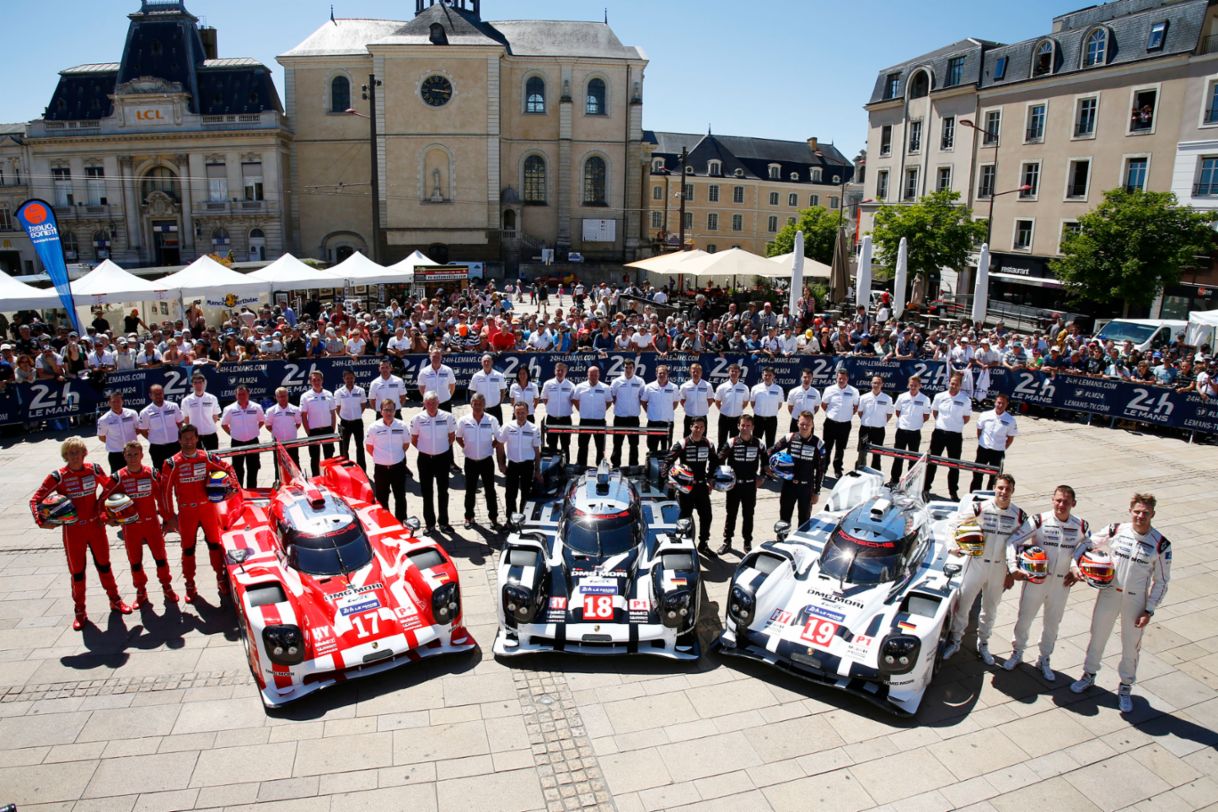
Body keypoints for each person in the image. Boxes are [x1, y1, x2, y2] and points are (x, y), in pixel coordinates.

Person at [1069, 493, 1171, 713]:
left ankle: (1125, 687)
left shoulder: (1161, 544)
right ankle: (1089, 675)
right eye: (1137, 511)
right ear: (1130, 511)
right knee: (1098, 635)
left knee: (1131, 645)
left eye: (1145, 513)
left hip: (1136, 601)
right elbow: (1085, 543)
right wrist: (1076, 566)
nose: (1140, 516)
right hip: (1109, 593)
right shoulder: (1116, 530)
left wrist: (1149, 610)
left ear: (1153, 514)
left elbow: (1161, 581)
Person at [30, 437, 130, 630]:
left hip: (95, 528)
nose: (75, 456)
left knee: (105, 566)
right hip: (73, 531)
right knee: (77, 573)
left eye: (78, 452)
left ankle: (115, 600)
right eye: (70, 453)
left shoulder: (93, 469)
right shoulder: (57, 476)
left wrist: (106, 510)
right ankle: (80, 610)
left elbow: (111, 487)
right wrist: (42, 520)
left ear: (85, 453)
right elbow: (35, 500)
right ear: (65, 456)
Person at [1003, 485, 1090, 681]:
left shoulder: (1081, 526)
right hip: (1036, 580)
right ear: (1052, 500)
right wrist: (1013, 567)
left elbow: (1087, 548)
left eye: (1066, 502)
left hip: (1061, 584)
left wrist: (1077, 568)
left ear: (1073, 504)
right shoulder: (1039, 520)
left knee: (1052, 624)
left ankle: (1044, 659)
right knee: (1024, 618)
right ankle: (1017, 652)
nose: (1061, 505)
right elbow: (1012, 541)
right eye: (1058, 500)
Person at [942, 473, 1027, 666]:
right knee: (964, 605)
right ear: (995, 488)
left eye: (1007, 489)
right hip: (977, 563)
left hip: (999, 569)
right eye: (1000, 488)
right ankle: (956, 641)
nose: (1003, 492)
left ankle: (984, 644)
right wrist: (952, 546)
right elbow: (953, 524)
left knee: (990, 609)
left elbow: (1020, 545)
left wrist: (1011, 571)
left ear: (1013, 491)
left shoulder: (1019, 516)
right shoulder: (981, 507)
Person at [160, 424, 238, 603]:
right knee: (188, 549)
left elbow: (229, 468)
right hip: (187, 512)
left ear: (197, 439)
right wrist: (169, 517)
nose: (188, 442)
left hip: (208, 509)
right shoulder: (172, 463)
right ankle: (189, 584)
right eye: (184, 439)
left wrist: (233, 487)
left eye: (191, 438)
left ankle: (220, 578)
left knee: (215, 545)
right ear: (179, 440)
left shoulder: (207, 457)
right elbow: (164, 492)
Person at [100, 441, 177, 609]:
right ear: (124, 456)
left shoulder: (151, 474)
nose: (133, 458)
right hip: (130, 527)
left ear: (142, 455)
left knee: (161, 559)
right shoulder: (118, 477)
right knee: (135, 562)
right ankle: (141, 591)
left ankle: (167, 586)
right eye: (129, 455)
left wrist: (168, 518)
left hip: (152, 525)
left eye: (136, 454)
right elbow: (102, 500)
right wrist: (107, 518)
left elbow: (162, 498)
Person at [667, 416, 720, 557]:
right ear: (691, 427)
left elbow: (715, 461)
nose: (698, 430)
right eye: (696, 427)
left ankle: (703, 545)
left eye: (701, 427)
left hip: (702, 486)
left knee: (707, 516)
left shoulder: (708, 443)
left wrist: (711, 479)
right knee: (685, 517)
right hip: (686, 488)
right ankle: (683, 545)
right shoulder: (682, 443)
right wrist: (670, 479)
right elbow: (667, 461)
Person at [717, 413, 767, 555]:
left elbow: (766, 462)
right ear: (738, 426)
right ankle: (727, 542)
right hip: (734, 486)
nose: (745, 428)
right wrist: (715, 478)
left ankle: (747, 542)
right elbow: (719, 459)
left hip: (750, 486)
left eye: (748, 425)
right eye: (743, 425)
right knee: (731, 514)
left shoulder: (759, 443)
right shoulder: (732, 442)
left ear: (752, 427)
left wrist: (762, 477)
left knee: (748, 514)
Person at [769, 410, 826, 528]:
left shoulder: (818, 444)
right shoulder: (790, 437)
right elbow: (771, 451)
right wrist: (769, 467)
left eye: (808, 424)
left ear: (812, 425)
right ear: (797, 423)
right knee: (784, 518)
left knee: (804, 520)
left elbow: (821, 470)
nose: (804, 427)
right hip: (789, 485)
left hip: (806, 488)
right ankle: (781, 540)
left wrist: (816, 492)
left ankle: (802, 543)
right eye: (802, 424)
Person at [411, 391, 456, 533]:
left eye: (434, 402)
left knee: (443, 492)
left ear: (438, 403)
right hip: (425, 459)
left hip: (442, 459)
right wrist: (427, 449)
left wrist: (440, 449)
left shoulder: (447, 417)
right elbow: (414, 439)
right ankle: (429, 524)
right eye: (428, 403)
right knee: (427, 492)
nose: (431, 405)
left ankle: (444, 522)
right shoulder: (417, 418)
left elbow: (451, 437)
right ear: (424, 404)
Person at [457, 392, 501, 531]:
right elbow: (458, 437)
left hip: (486, 460)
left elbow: (498, 438)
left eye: (480, 404)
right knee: (470, 491)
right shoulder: (464, 420)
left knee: (490, 491)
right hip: (470, 461)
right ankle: (469, 517)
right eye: (475, 404)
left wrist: (490, 447)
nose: (477, 407)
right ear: (471, 405)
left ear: (484, 405)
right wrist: (466, 447)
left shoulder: (492, 420)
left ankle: (493, 518)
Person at [925, 372, 972, 500]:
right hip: (939, 433)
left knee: (954, 465)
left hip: (955, 436)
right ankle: (926, 488)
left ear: (960, 386)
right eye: (951, 383)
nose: (953, 386)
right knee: (932, 462)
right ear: (949, 383)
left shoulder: (965, 400)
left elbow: (966, 418)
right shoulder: (940, 396)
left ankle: (953, 492)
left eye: (956, 384)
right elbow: (935, 413)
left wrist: (954, 425)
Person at [365, 399, 410, 520]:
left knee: (400, 496)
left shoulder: (402, 426)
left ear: (395, 411)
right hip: (381, 469)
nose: (388, 412)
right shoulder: (374, 427)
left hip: (398, 468)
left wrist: (395, 456)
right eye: (386, 410)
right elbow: (369, 447)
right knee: (382, 499)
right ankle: (386, 522)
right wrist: (382, 458)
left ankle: (401, 522)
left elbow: (406, 444)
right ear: (381, 411)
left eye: (391, 410)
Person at [498, 401, 542, 517]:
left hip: (527, 466)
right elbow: (500, 444)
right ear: (514, 413)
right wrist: (501, 464)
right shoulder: (508, 427)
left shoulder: (534, 428)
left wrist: (537, 470)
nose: (520, 415)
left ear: (528, 412)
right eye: (518, 412)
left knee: (526, 495)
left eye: (523, 412)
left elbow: (537, 451)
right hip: (512, 465)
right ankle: (510, 520)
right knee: (510, 495)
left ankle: (524, 519)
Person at [221, 385, 265, 489]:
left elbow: (262, 421)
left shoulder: (256, 407)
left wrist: (254, 430)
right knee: (237, 468)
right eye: (239, 394)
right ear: (236, 396)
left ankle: (252, 490)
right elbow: (223, 424)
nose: (242, 396)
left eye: (244, 394)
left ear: (248, 394)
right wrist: (232, 434)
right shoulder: (229, 409)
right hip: (237, 443)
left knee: (253, 467)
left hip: (253, 441)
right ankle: (239, 490)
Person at [971, 393, 1017, 492]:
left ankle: (989, 497)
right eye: (998, 403)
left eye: (1003, 404)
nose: (1000, 405)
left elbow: (1010, 438)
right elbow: (979, 431)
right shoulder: (985, 415)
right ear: (995, 402)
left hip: (998, 452)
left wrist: (1002, 447)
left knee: (995, 478)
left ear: (1006, 405)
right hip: (983, 449)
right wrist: (982, 442)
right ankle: (974, 495)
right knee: (977, 474)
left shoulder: (1010, 420)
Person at [890, 375, 932, 484]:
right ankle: (894, 480)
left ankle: (910, 482)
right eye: (911, 385)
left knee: (913, 459)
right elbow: (898, 412)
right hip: (901, 431)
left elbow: (926, 417)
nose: (913, 387)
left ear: (920, 386)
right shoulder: (902, 397)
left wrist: (915, 423)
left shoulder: (925, 399)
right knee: (898, 458)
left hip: (915, 432)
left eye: (915, 385)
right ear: (908, 385)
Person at [820, 367, 859, 479]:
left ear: (847, 379)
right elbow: (824, 405)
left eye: (844, 378)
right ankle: (823, 469)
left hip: (845, 425)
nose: (841, 380)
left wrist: (846, 415)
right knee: (827, 448)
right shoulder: (829, 389)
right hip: (830, 423)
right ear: (836, 378)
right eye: (839, 378)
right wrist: (831, 414)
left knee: (840, 449)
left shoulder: (854, 391)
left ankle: (837, 469)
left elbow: (855, 407)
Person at [138, 384, 184, 473]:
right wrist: (153, 438)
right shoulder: (145, 412)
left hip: (175, 446)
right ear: (150, 396)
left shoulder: (173, 406)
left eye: (160, 393)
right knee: (160, 473)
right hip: (157, 449)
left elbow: (180, 423)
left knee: (178, 471)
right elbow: (143, 430)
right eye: (156, 394)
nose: (159, 396)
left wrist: (179, 436)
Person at [299, 371, 337, 477]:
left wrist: (332, 429)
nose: (316, 382)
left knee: (329, 457)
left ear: (322, 380)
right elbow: (303, 415)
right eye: (314, 380)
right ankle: (316, 478)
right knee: (314, 457)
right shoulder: (305, 396)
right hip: (313, 431)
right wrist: (308, 432)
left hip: (328, 430)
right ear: (310, 382)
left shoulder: (329, 394)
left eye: (318, 380)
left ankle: (329, 477)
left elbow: (333, 413)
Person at [573, 365, 611, 467]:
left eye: (595, 374)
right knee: (582, 446)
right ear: (587, 375)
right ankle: (581, 466)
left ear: (599, 375)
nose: (593, 377)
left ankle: (600, 467)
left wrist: (601, 410)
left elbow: (609, 402)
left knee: (600, 447)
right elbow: (575, 399)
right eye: (591, 374)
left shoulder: (605, 388)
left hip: (599, 421)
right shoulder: (580, 387)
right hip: (585, 421)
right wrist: (581, 410)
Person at [610, 358, 645, 467]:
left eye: (630, 368)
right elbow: (613, 397)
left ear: (634, 369)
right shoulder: (616, 382)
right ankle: (616, 466)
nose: (628, 370)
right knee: (617, 444)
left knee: (634, 445)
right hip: (620, 418)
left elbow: (641, 397)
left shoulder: (639, 381)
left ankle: (633, 466)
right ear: (623, 368)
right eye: (626, 368)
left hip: (633, 419)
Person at [856, 375, 893, 470]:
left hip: (879, 431)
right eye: (874, 383)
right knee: (862, 452)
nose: (876, 385)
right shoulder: (864, 397)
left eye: (878, 383)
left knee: (877, 454)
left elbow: (889, 414)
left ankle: (875, 472)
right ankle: (860, 471)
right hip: (865, 430)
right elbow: (860, 412)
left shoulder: (887, 399)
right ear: (871, 383)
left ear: (882, 384)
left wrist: (880, 422)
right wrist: (867, 421)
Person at [642, 364, 680, 455]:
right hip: (653, 422)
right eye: (660, 373)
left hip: (667, 422)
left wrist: (667, 411)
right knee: (652, 448)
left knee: (666, 448)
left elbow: (675, 402)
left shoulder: (674, 387)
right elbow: (643, 401)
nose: (661, 375)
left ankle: (664, 468)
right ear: (656, 374)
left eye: (664, 373)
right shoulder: (649, 387)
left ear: (667, 374)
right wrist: (650, 412)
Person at [97, 391, 139, 473]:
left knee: (135, 475)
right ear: (109, 403)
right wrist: (114, 443)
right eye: (113, 402)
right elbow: (101, 436)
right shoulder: (104, 419)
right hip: (116, 454)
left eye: (118, 401)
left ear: (122, 402)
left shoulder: (132, 413)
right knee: (117, 479)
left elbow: (138, 429)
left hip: (132, 452)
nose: (116, 404)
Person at [540, 361, 576, 457]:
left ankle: (566, 464)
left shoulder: (571, 385)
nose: (560, 372)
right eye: (558, 370)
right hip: (552, 419)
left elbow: (573, 400)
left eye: (562, 370)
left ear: (566, 372)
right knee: (552, 444)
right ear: (554, 371)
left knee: (565, 444)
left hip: (565, 420)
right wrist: (553, 408)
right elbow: (544, 398)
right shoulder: (548, 384)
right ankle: (553, 467)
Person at [335, 369, 367, 470]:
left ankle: (361, 468)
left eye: (351, 378)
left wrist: (355, 415)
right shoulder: (339, 392)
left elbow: (363, 405)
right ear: (344, 379)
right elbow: (337, 408)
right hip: (344, 423)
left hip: (357, 422)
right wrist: (345, 417)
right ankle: (346, 468)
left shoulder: (360, 391)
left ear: (354, 378)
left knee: (360, 446)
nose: (349, 380)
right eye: (347, 378)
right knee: (344, 447)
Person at [180, 373, 222, 451]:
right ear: (192, 384)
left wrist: (207, 426)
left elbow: (215, 417)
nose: (198, 385)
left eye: (200, 382)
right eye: (195, 383)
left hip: (210, 434)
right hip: (195, 436)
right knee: (197, 460)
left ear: (204, 383)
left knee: (212, 458)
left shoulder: (212, 398)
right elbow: (186, 419)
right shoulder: (186, 400)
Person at [265, 387, 303, 464]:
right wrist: (276, 432)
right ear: (276, 397)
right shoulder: (271, 411)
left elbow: (298, 423)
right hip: (278, 443)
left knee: (295, 463)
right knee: (279, 465)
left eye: (285, 396)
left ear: (287, 396)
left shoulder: (295, 409)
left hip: (292, 442)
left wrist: (291, 431)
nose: (283, 398)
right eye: (280, 396)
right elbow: (268, 425)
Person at [714, 363, 750, 443]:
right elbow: (717, 402)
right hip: (724, 418)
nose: (734, 373)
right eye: (732, 371)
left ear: (739, 373)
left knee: (734, 442)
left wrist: (738, 410)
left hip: (737, 418)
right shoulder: (722, 387)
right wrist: (724, 410)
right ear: (728, 372)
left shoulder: (744, 388)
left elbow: (745, 402)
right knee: (721, 440)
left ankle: (732, 456)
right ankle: (720, 455)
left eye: (736, 371)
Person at [750, 367, 784, 449]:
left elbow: (779, 404)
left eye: (770, 375)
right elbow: (752, 403)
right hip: (758, 419)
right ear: (762, 376)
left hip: (771, 420)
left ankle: (767, 460)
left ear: (773, 376)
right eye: (765, 375)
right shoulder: (755, 388)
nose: (767, 377)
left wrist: (770, 411)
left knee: (770, 442)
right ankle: (755, 460)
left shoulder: (778, 389)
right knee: (756, 441)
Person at [469, 354, 508, 425]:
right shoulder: (476, 376)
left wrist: (500, 402)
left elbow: (502, 390)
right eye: (484, 361)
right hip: (481, 409)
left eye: (488, 361)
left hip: (496, 408)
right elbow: (472, 390)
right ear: (481, 363)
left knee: (498, 431)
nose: (486, 363)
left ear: (492, 362)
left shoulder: (499, 375)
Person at [679, 362, 715, 439]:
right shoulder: (684, 386)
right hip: (689, 417)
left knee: (702, 438)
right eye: (693, 372)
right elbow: (682, 400)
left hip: (702, 417)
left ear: (701, 373)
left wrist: (702, 408)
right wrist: (689, 408)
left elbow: (710, 400)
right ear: (690, 372)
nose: (695, 373)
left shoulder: (707, 386)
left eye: (697, 372)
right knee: (687, 438)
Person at [786, 368, 820, 433]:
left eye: (809, 377)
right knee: (793, 442)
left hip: (809, 422)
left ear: (812, 378)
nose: (807, 379)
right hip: (796, 421)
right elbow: (790, 407)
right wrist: (797, 416)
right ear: (801, 378)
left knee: (809, 442)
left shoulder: (816, 393)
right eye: (804, 377)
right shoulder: (793, 391)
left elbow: (816, 407)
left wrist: (808, 416)